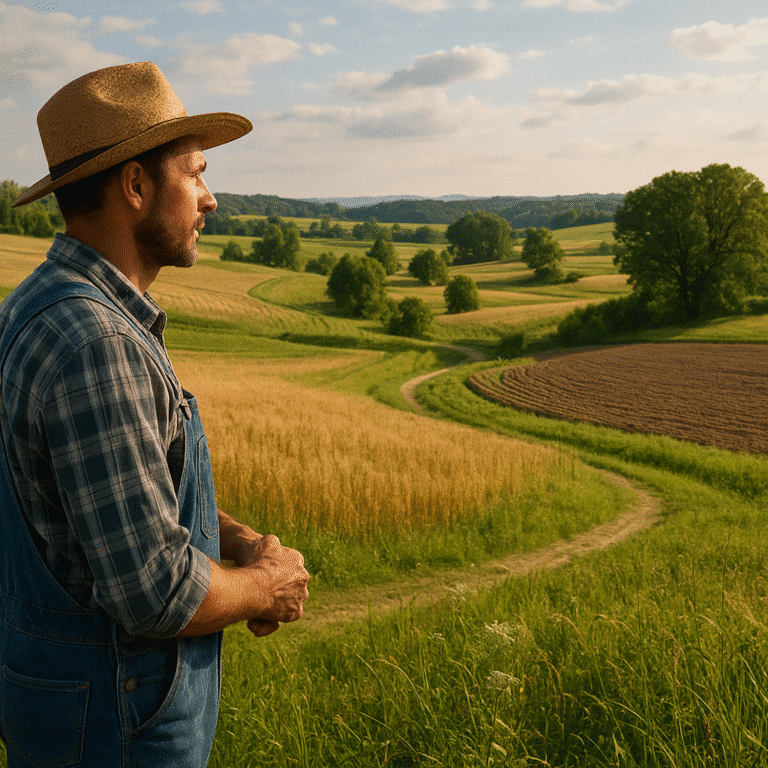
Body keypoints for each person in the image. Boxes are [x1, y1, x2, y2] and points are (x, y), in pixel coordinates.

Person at [0, 62, 310, 767]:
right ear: (136, 186)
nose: (210, 199)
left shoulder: (39, 305)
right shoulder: (97, 343)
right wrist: (267, 585)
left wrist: (236, 539)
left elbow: (112, 496)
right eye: (195, 174)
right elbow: (155, 591)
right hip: (119, 725)